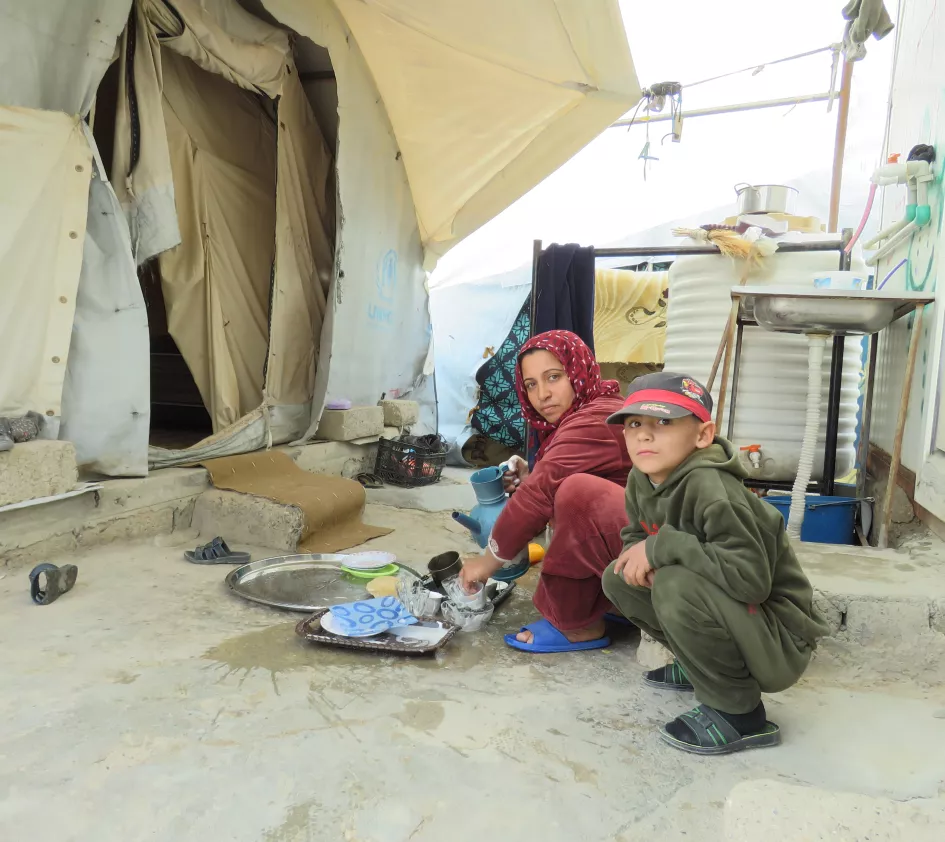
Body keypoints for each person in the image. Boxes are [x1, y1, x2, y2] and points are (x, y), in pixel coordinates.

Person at [601, 372, 830, 755]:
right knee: (619, 577)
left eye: (664, 423)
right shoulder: (642, 479)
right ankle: (701, 667)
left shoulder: (713, 488)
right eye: (634, 424)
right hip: (740, 619)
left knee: (675, 585)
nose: (644, 436)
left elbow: (750, 581)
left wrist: (661, 548)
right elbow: (635, 538)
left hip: (779, 640)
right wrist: (644, 554)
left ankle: (740, 713)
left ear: (703, 435)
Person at [459, 330, 633, 653]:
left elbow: (540, 494)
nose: (542, 395)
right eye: (531, 385)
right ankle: (613, 603)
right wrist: (534, 476)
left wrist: (487, 562)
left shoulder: (595, 421)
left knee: (577, 494)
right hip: (645, 541)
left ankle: (577, 625)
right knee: (568, 493)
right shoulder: (592, 410)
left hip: (663, 555)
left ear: (579, 371)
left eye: (554, 377)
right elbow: (550, 482)